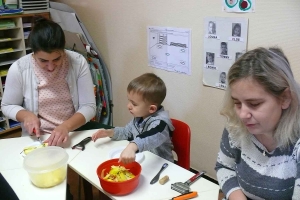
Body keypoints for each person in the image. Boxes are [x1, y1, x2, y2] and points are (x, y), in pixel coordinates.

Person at [215, 47, 300, 200]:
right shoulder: (236, 126)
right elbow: (224, 166)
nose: (242, 115)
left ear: (285, 98)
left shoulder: (296, 143)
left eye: (254, 104)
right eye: (237, 103)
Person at [1, 16, 96, 147]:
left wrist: (66, 127)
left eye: (57, 59)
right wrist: (26, 115)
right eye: (43, 61)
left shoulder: (78, 62)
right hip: (38, 137)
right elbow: (7, 106)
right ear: (33, 54)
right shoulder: (19, 68)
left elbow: (89, 106)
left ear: (63, 51)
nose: (51, 67)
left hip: (72, 133)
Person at [92, 73, 174, 164]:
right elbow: (127, 132)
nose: (128, 106)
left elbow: (150, 137)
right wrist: (110, 132)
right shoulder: (139, 117)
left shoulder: (161, 125)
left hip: (162, 166)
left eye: (134, 104)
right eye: (129, 101)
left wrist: (132, 146)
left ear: (151, 109)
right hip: (144, 160)